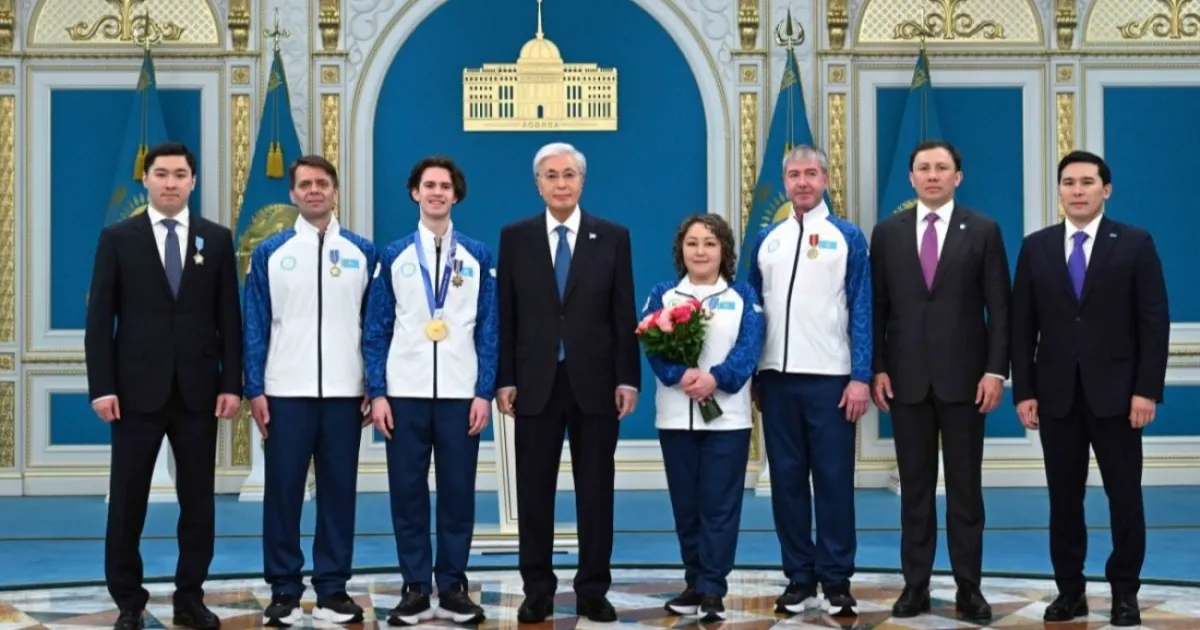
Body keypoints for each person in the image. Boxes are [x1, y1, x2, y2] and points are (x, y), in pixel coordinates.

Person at [84, 141, 242, 630]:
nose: (170, 182)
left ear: (193, 181)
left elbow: (228, 320)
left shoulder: (215, 239)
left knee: (198, 502)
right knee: (128, 500)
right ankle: (129, 601)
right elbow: (99, 320)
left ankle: (189, 597)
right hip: (133, 394)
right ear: (146, 180)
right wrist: (102, 386)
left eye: (179, 174)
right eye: (161, 173)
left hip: (199, 392)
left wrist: (231, 383)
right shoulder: (118, 237)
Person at [1011, 150, 1169, 627]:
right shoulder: (1036, 247)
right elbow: (1022, 326)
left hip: (1120, 397)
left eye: (1087, 181)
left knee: (1125, 497)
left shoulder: (1135, 243)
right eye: (1068, 182)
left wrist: (1147, 391)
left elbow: (1153, 322)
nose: (1077, 190)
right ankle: (1070, 591)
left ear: (1106, 189)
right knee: (1063, 499)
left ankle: (1125, 593)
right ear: (1059, 190)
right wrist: (1025, 391)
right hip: (1056, 396)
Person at [496, 142, 640, 623]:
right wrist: (505, 379)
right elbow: (507, 316)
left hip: (596, 383)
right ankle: (536, 588)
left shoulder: (613, 236)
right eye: (551, 175)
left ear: (582, 181)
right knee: (534, 493)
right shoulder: (515, 237)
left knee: (596, 492)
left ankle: (592, 589)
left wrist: (628, 379)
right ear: (538, 183)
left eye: (569, 174)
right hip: (534, 384)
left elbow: (623, 315)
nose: (561, 183)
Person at [869, 140, 1009, 623]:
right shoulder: (886, 233)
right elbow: (878, 307)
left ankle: (970, 588)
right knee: (915, 492)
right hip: (906, 382)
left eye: (942, 168)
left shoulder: (984, 230)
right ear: (911, 178)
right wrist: (878, 366)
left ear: (958, 176)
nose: (932, 175)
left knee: (966, 492)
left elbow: (1001, 308)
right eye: (924, 168)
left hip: (967, 383)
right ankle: (916, 585)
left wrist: (995, 371)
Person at [242, 155, 376, 626]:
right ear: (293, 194)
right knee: (283, 493)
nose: (314, 191)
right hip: (285, 393)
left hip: (345, 395)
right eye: (305, 184)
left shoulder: (363, 252)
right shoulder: (271, 253)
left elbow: (373, 326)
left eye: (322, 183)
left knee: (340, 493)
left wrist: (373, 385)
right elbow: (255, 323)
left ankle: (333, 589)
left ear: (335, 192)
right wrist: (254, 387)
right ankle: (283, 589)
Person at [363, 156, 494, 626]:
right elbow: (375, 329)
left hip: (461, 395)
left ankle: (454, 585)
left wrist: (484, 392)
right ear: (415, 192)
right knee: (408, 493)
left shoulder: (478, 255)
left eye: (445, 186)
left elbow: (489, 330)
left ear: (456, 195)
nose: (437, 193)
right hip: (405, 393)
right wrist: (378, 392)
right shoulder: (393, 255)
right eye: (428, 185)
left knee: (459, 492)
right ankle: (416, 586)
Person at [747, 144, 871, 618]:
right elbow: (754, 310)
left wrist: (860, 376)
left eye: (811, 173)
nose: (802, 182)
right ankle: (799, 576)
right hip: (776, 382)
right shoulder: (768, 240)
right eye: (794, 174)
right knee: (787, 482)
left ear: (826, 179)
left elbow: (862, 307)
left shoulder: (848, 238)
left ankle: (837, 579)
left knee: (835, 480)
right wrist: (755, 372)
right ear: (785, 182)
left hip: (831, 380)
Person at [642, 214, 764, 622]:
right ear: (681, 250)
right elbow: (653, 348)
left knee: (720, 506)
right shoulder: (663, 294)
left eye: (709, 243)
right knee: (686, 505)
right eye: (692, 243)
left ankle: (713, 587)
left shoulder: (743, 295)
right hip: (676, 418)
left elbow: (749, 351)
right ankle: (694, 581)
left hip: (726, 420)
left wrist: (716, 379)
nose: (700, 251)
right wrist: (682, 376)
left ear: (724, 251)